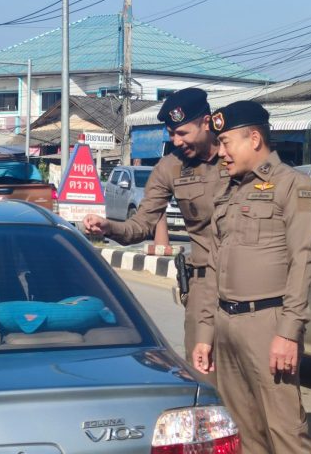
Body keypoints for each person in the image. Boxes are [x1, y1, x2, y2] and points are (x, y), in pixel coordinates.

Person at [191, 100, 311, 453]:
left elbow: (302, 261)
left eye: (226, 143)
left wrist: (288, 333)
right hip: (226, 324)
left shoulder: (293, 185)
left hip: (268, 325)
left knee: (285, 433)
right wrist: (205, 333)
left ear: (254, 139)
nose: (221, 153)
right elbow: (214, 266)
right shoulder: (229, 191)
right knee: (242, 434)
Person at [83, 87, 228, 368]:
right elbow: (141, 224)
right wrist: (108, 226)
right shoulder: (170, 168)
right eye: (172, 134)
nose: (176, 141)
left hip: (250, 285)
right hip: (203, 286)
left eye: (182, 133)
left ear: (206, 122)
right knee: (204, 376)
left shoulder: (236, 154)